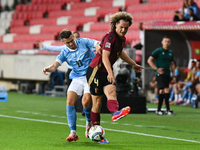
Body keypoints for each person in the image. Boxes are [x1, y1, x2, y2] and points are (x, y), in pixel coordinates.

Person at [86, 12, 144, 143]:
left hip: (106, 71)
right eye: (121, 27)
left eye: (126, 28)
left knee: (112, 92)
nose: (123, 30)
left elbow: (120, 53)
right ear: (115, 25)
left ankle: (115, 113)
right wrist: (110, 73)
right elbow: (105, 56)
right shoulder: (110, 37)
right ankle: (95, 133)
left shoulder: (121, 39)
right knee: (97, 103)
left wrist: (133, 64)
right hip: (95, 71)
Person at [42, 29, 100, 142]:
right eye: (67, 42)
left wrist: (98, 46)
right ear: (63, 42)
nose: (71, 44)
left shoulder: (83, 42)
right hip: (77, 77)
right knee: (69, 101)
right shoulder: (64, 52)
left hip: (90, 75)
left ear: (73, 36)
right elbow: (55, 66)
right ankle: (73, 132)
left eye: (71, 40)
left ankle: (88, 122)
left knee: (86, 102)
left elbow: (97, 43)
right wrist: (49, 68)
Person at [147, 36, 176, 115]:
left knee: (163, 90)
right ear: (162, 42)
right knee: (165, 89)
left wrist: (173, 75)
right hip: (160, 74)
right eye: (165, 41)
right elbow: (149, 60)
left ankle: (161, 110)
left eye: (168, 41)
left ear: (170, 43)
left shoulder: (170, 52)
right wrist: (156, 69)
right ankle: (165, 109)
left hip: (167, 73)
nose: (167, 43)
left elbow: (173, 64)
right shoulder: (158, 51)